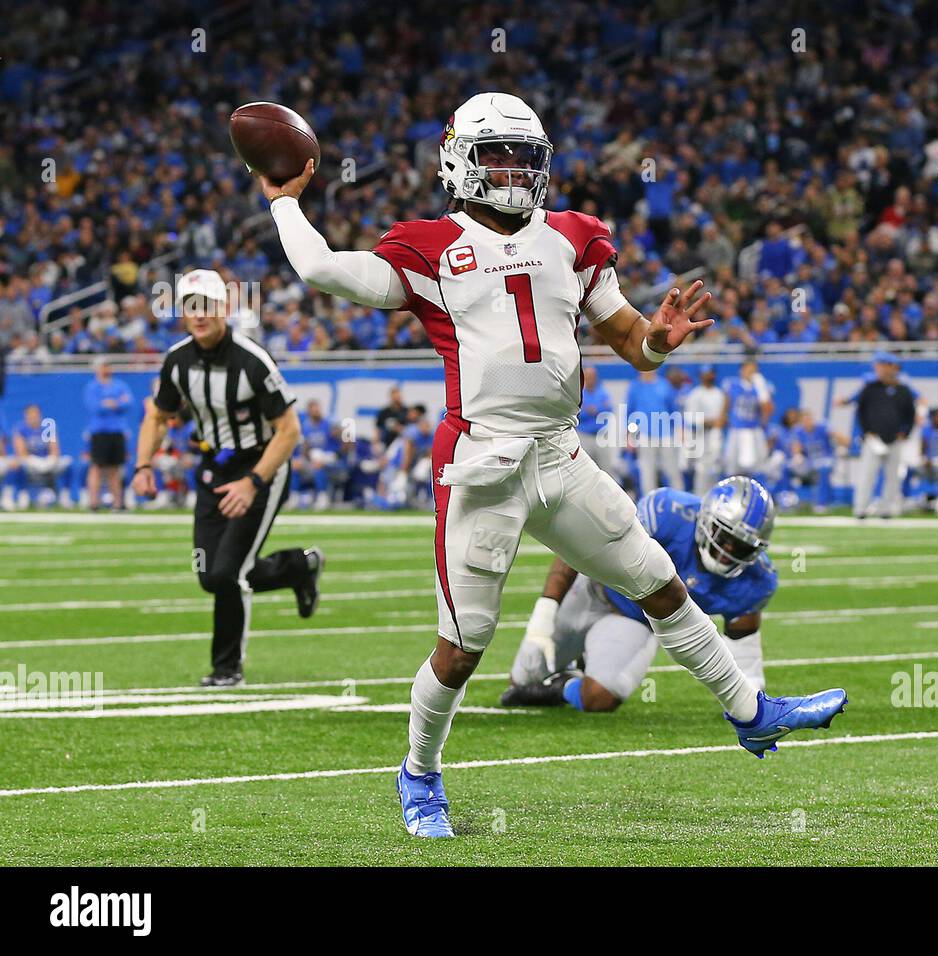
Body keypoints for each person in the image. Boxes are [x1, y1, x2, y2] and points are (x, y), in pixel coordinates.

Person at [259, 91, 845, 839]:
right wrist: (283, 202)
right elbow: (323, 271)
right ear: (460, 160)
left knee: (659, 583)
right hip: (482, 464)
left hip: (561, 454)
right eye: (497, 154)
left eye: (524, 156)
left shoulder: (574, 235)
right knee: (464, 645)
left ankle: (750, 711)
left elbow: (634, 345)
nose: (512, 169)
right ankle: (419, 773)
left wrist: (660, 338)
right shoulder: (429, 244)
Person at [130, 269, 326, 687]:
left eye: (207, 305)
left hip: (261, 469)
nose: (199, 314)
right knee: (211, 575)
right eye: (190, 306)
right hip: (213, 471)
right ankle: (298, 567)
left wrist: (253, 481)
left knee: (228, 574)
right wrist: (143, 466)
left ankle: (226, 668)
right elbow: (158, 415)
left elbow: (289, 431)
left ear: (223, 308)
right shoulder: (177, 360)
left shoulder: (252, 361)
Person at [503, 477, 776, 710]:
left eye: (741, 547)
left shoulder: (756, 580)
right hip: (593, 588)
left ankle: (564, 684)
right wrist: (544, 615)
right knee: (522, 680)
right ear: (704, 518)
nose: (727, 551)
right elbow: (579, 542)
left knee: (599, 697)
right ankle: (578, 658)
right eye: (723, 535)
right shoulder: (667, 513)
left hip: (636, 619)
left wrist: (751, 702)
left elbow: (746, 654)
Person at [842, 351, 916, 518]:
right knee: (867, 474)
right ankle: (860, 508)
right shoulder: (870, 388)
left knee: (892, 477)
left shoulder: (903, 390)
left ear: (892, 367)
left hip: (895, 440)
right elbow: (860, 411)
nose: (878, 369)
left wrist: (905, 433)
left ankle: (886, 509)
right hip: (873, 439)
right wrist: (868, 431)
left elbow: (910, 415)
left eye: (882, 365)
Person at [84, 357, 134, 511]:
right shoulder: (92, 386)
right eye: (104, 366)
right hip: (100, 432)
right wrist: (114, 403)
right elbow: (95, 407)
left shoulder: (119, 385)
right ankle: (93, 503)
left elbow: (128, 402)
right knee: (96, 467)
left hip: (116, 431)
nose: (107, 369)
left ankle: (117, 503)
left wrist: (111, 403)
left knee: (115, 468)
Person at [625, 368, 681, 494]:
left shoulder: (664, 385)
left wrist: (679, 428)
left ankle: (679, 502)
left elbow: (674, 410)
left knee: (672, 470)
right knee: (647, 472)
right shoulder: (635, 387)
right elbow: (630, 414)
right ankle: (648, 504)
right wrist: (629, 436)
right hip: (644, 434)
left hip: (665, 433)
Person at [10, 404, 73, 508]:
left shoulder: (47, 427)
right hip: (30, 462)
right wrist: (35, 461)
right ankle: (22, 496)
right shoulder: (20, 429)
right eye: (30, 414)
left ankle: (65, 496)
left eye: (35, 413)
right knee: (17, 465)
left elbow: (55, 450)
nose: (33, 416)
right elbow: (21, 452)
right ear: (26, 415)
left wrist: (50, 460)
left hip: (47, 461)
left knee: (68, 463)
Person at [721, 358, 774, 482]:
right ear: (742, 370)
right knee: (732, 464)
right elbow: (725, 406)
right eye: (749, 369)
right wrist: (725, 422)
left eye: (754, 370)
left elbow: (768, 410)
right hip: (736, 429)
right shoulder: (733, 384)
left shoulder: (761, 386)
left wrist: (762, 390)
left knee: (758, 465)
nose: (751, 372)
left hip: (754, 429)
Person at [682, 364, 725, 495]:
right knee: (700, 467)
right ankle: (699, 497)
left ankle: (714, 496)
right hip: (699, 434)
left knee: (716, 467)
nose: (708, 376)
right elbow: (689, 417)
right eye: (705, 374)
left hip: (715, 434)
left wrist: (720, 421)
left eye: (710, 373)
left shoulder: (719, 393)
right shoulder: (696, 394)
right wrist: (707, 421)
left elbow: (723, 415)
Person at [576, 366, 619, 478]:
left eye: (592, 376)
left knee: (606, 470)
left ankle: (608, 495)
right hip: (584, 436)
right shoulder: (579, 394)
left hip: (600, 436)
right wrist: (591, 411)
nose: (590, 379)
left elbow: (608, 410)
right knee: (583, 470)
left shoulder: (602, 392)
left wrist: (595, 410)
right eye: (588, 376)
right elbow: (576, 413)